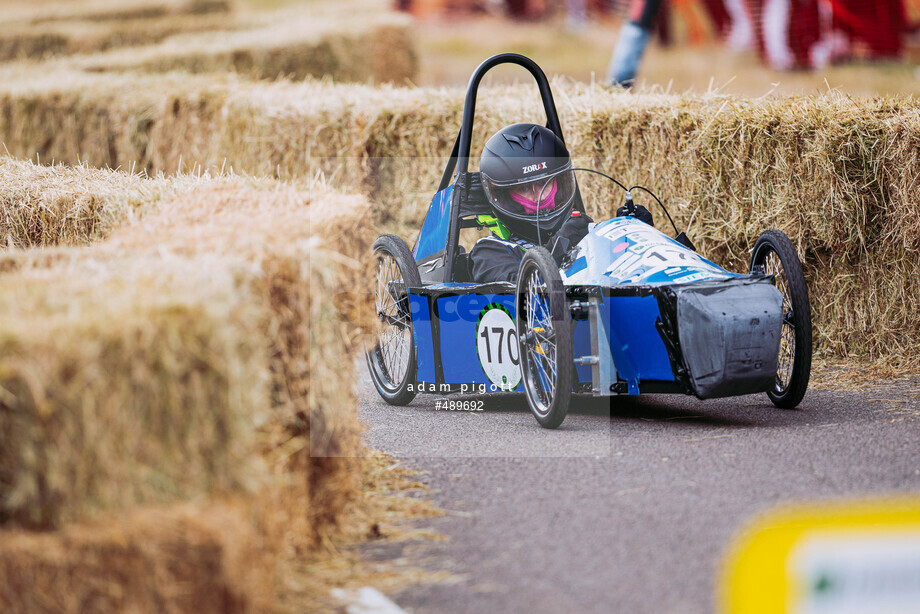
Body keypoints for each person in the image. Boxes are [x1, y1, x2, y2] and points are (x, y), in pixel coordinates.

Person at [469, 123, 592, 284]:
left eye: (544, 183)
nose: (539, 197)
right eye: (525, 188)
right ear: (505, 196)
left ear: (560, 183)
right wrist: (559, 247)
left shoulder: (578, 230)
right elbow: (525, 295)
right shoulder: (489, 252)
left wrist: (630, 228)